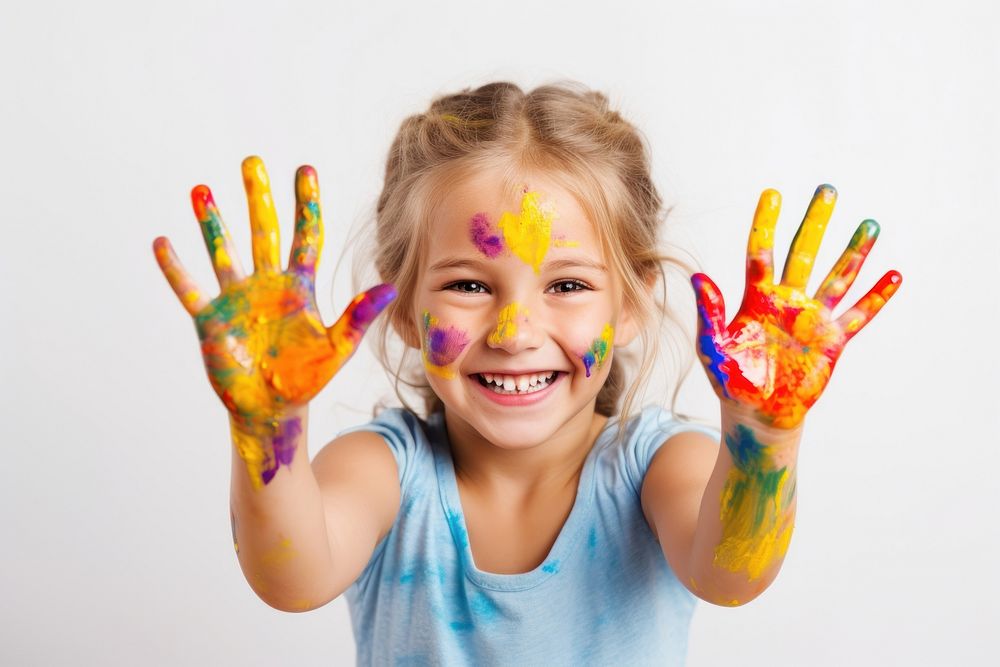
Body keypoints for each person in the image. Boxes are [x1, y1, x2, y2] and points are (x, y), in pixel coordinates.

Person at [152, 81, 901, 665]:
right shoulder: (386, 470)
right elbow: (291, 579)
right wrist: (270, 427)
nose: (515, 332)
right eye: (470, 285)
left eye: (567, 286)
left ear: (633, 299)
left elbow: (732, 574)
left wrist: (766, 433)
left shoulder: (656, 468)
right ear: (405, 308)